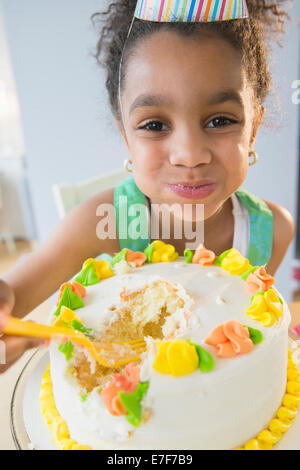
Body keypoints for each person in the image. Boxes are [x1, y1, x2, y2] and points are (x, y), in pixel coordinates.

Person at [0, 0, 295, 373]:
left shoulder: (271, 232)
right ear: (127, 138)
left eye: (220, 120)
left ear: (252, 132)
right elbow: (14, 293)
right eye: (154, 125)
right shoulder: (103, 222)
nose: (189, 154)